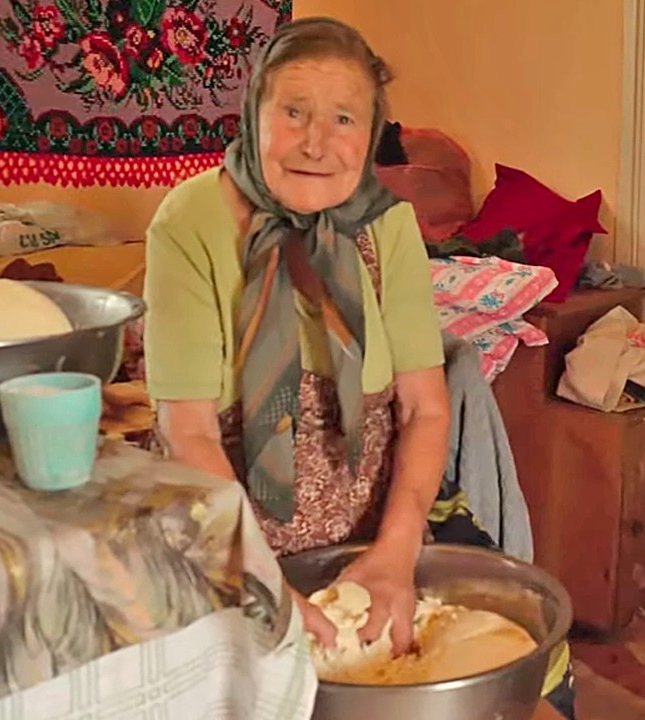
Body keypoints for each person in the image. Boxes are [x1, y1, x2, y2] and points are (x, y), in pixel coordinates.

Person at [142, 17, 574, 718]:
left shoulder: (387, 226)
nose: (315, 142)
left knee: (540, 671)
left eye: (343, 118)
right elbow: (187, 429)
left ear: (371, 136)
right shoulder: (189, 222)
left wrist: (398, 550)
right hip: (231, 532)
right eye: (293, 112)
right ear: (254, 115)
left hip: (376, 521)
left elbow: (425, 409)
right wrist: (262, 579)